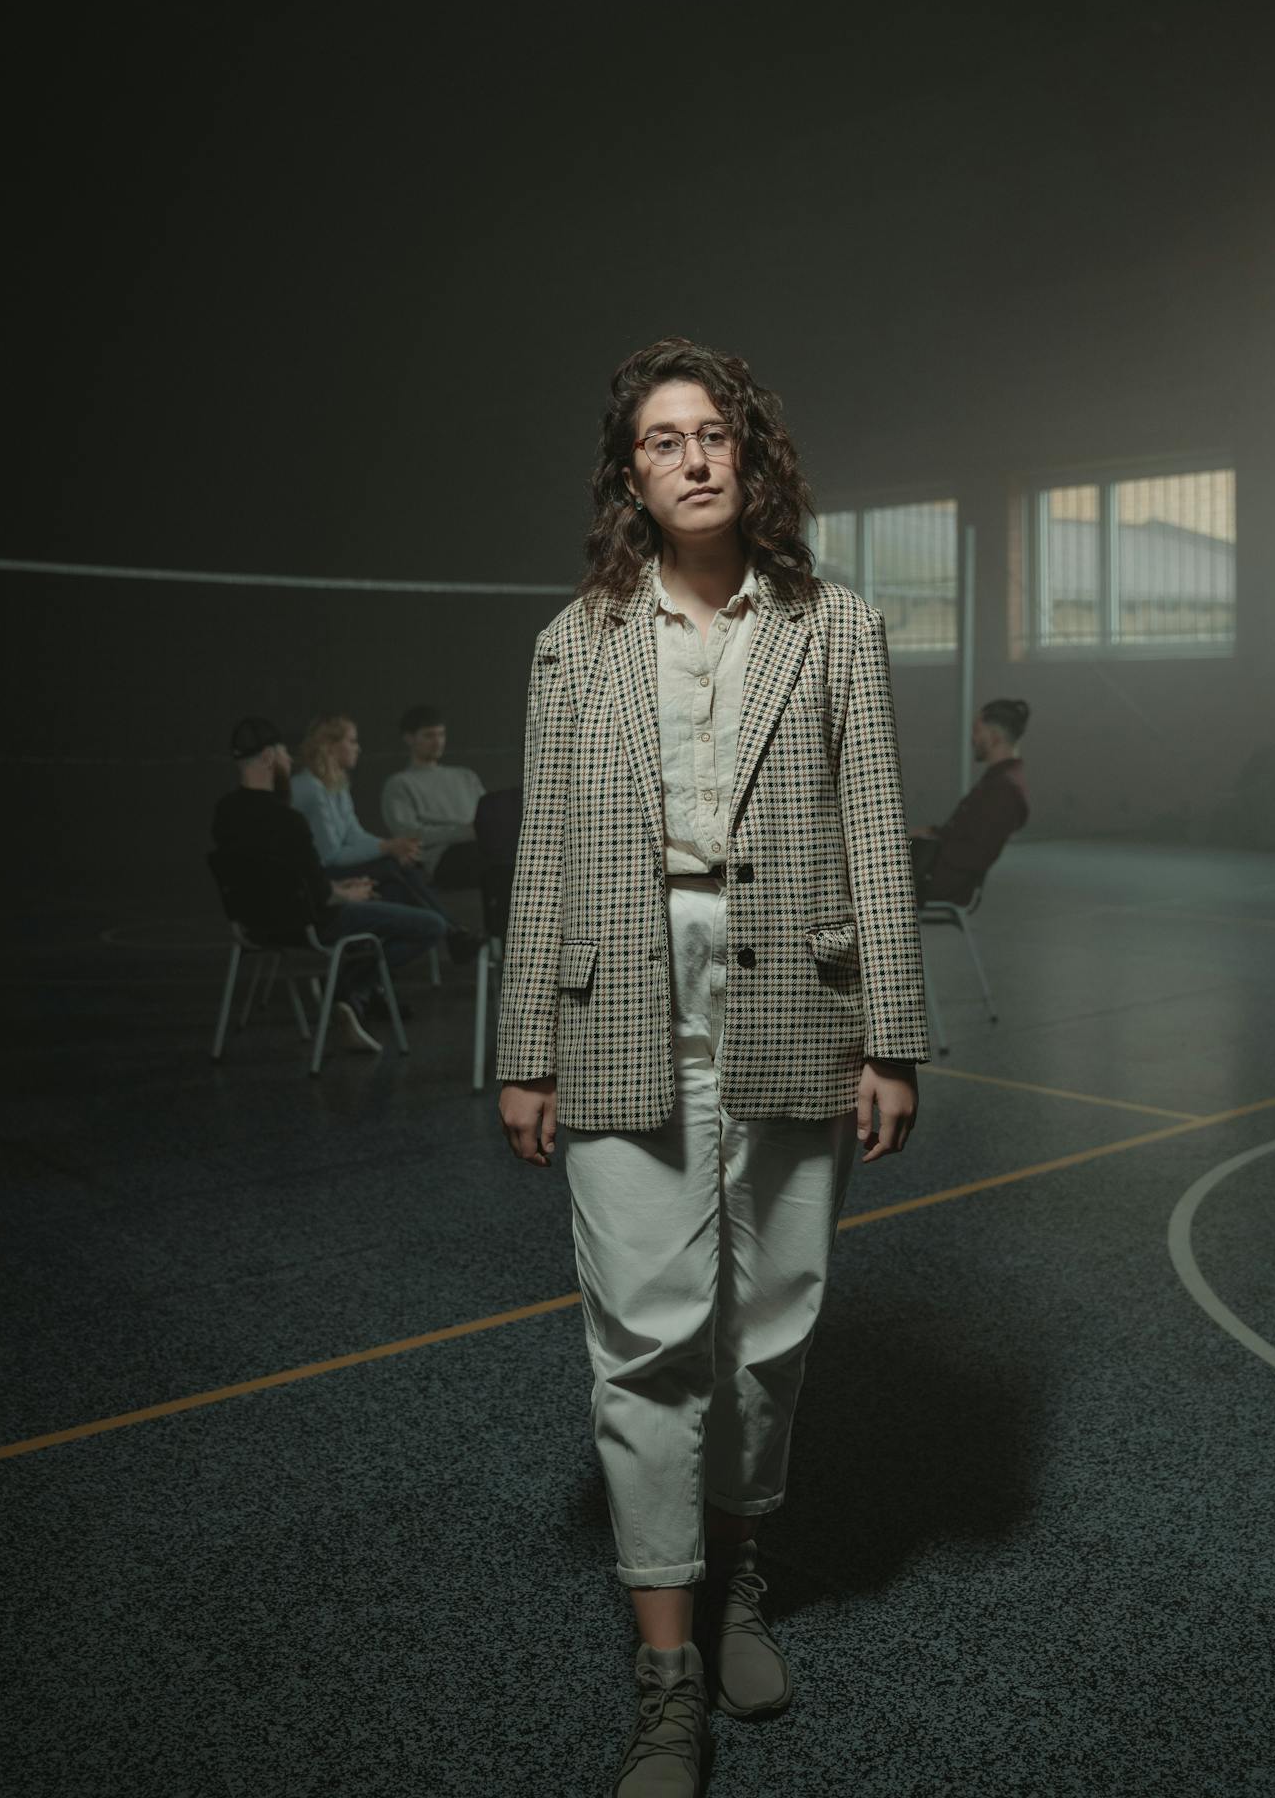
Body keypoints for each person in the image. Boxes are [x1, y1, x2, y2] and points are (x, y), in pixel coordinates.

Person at [496, 338, 928, 1796]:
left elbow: (877, 829)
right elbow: (541, 853)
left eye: (711, 433)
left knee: (768, 1333)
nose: (690, 456)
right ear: (629, 474)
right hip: (619, 998)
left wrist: (892, 1035)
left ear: (749, 455)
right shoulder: (573, 642)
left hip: (792, 998)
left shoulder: (836, 626)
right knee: (646, 1337)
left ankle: (740, 1586)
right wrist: (524, 1052)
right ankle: (665, 1671)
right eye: (659, 438)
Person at [211, 717, 448, 1053]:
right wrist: (349, 893)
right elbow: (319, 892)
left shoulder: (225, 813)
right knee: (431, 925)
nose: (290, 761)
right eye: (283, 754)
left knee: (389, 884)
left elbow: (284, 879)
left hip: (254, 926)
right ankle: (345, 992)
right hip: (310, 923)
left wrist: (341, 887)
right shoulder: (288, 820)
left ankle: (356, 996)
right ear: (268, 758)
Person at [291, 713, 482, 976]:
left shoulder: (334, 785)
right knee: (391, 869)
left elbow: (355, 835)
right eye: (352, 741)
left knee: (394, 877)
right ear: (330, 745)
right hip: (319, 882)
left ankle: (363, 984)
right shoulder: (311, 790)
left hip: (334, 872)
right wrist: (387, 848)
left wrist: (393, 845)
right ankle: (449, 933)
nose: (358, 747)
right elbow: (330, 856)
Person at [910, 698, 1031, 905]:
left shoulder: (1003, 790)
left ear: (994, 737)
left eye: (977, 731)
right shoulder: (999, 781)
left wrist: (925, 846)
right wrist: (927, 834)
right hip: (935, 871)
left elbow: (975, 853)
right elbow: (966, 836)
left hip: (936, 880)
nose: (973, 738)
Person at [380, 703, 486, 889]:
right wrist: (466, 832)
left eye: (441, 734)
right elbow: (408, 835)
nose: (438, 742)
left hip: (481, 847)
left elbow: (488, 816)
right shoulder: (399, 784)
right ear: (409, 739)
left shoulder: (466, 776)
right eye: (429, 735)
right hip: (444, 857)